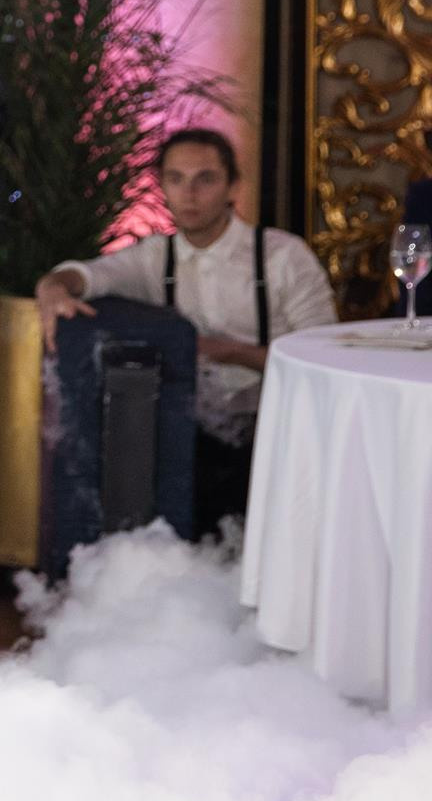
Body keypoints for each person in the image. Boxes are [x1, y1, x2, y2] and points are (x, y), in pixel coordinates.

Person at [36, 128, 336, 539]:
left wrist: (229, 352)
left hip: (278, 433)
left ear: (233, 186)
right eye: (176, 179)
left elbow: (324, 360)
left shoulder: (283, 256)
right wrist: (53, 287)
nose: (189, 193)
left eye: (205, 179)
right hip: (192, 438)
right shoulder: (156, 256)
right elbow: (92, 275)